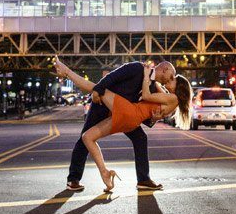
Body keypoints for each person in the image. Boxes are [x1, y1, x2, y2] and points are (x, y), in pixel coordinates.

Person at [55, 59, 190, 194]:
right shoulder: (137, 68)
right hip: (103, 106)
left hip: (125, 113)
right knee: (85, 138)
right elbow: (112, 77)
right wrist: (98, 90)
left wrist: (154, 118)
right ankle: (74, 179)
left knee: (140, 138)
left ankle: (143, 179)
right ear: (165, 69)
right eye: (171, 76)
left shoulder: (155, 87)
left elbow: (147, 111)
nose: (169, 80)